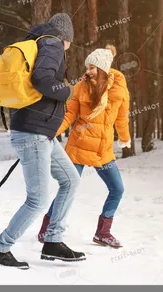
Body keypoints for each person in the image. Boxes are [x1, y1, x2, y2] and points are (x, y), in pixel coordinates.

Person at [0, 13, 86, 270]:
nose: (69, 48)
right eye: (70, 43)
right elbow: (43, 81)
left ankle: (53, 242)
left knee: (71, 179)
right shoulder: (52, 44)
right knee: (37, 200)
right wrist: (68, 91)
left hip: (40, 133)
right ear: (66, 37)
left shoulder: (36, 44)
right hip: (34, 134)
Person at [37, 45, 131, 249]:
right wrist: (53, 131)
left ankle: (103, 232)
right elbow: (69, 114)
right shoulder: (80, 87)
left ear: (103, 68)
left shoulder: (119, 90)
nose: (87, 71)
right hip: (79, 148)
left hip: (102, 150)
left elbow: (122, 117)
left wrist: (125, 137)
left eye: (91, 68)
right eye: (87, 67)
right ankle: (47, 228)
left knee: (117, 189)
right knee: (68, 187)